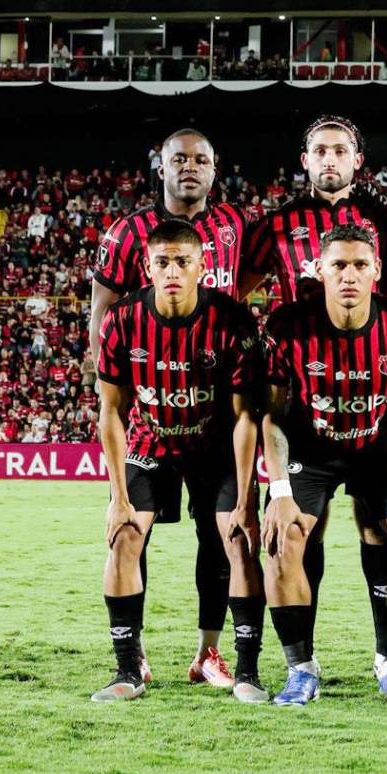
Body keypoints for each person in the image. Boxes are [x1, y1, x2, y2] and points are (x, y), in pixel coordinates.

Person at [89, 128, 250, 689]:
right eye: (178, 159)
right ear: (160, 166)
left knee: (222, 536)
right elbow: (104, 309)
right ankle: (130, 664)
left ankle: (210, 654)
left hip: (213, 416)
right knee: (127, 531)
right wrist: (119, 378)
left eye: (200, 159)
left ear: (214, 167)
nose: (189, 167)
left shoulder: (233, 225)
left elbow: (242, 291)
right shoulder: (128, 232)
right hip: (153, 411)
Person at [260, 223, 387, 706]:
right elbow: (272, 414)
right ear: (320, 271)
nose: (349, 275)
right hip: (310, 451)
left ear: (377, 272)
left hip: (380, 451)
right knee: (284, 541)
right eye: (338, 265)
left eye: (360, 265)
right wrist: (278, 493)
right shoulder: (286, 328)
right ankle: (301, 670)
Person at [240, 114, 387, 675]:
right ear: (304, 160)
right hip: (304, 392)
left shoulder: (384, 217)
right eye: (319, 151)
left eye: (341, 150)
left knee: (375, 523)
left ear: (358, 160)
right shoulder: (277, 223)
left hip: (375, 393)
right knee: (304, 528)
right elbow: (239, 290)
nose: (330, 160)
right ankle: (301, 663)